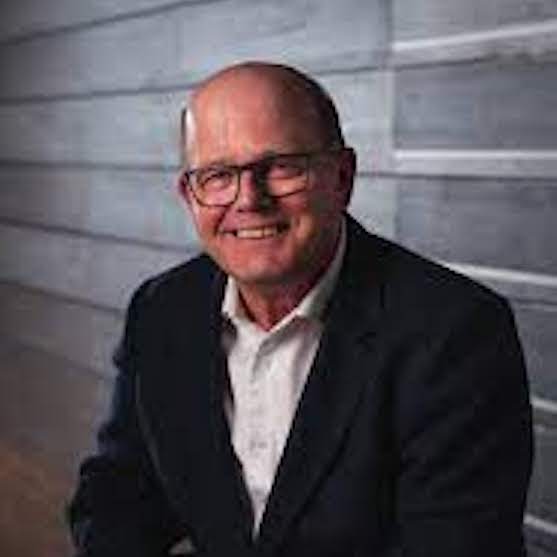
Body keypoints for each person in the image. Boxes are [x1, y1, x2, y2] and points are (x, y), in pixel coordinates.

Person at [68, 61, 533, 557]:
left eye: (281, 167)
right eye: (218, 175)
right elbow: (116, 499)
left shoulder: (456, 331)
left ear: (342, 177)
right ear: (189, 195)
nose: (249, 199)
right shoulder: (162, 309)